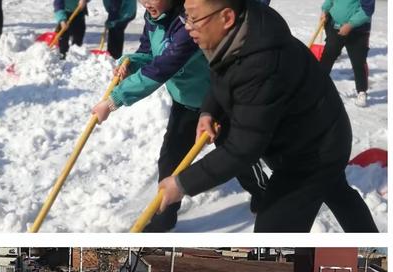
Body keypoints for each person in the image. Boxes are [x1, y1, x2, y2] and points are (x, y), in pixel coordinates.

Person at [156, 0, 379, 233]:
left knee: (272, 230)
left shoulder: (261, 64)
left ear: (227, 17)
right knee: (336, 190)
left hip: (315, 151)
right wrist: (208, 110)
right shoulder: (239, 33)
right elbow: (221, 71)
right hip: (314, 131)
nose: (187, 26)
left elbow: (243, 148)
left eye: (193, 18)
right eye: (185, 16)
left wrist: (182, 184)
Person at [92, 0, 267, 231]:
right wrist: (131, 62)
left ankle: (263, 192)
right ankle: (164, 217)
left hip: (215, 103)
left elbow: (163, 66)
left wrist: (114, 101)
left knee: (236, 157)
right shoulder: (153, 19)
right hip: (184, 104)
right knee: (170, 161)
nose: (145, 3)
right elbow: (149, 53)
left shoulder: (189, 24)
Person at [319, 0, 375, 107]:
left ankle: (362, 91)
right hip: (335, 27)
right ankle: (318, 84)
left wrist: (350, 25)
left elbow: (367, 10)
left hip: (358, 32)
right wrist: (325, 10)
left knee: (359, 62)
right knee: (327, 58)